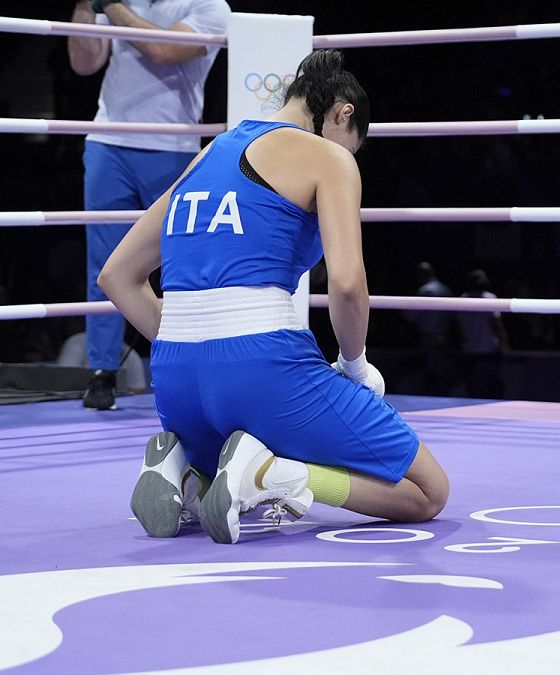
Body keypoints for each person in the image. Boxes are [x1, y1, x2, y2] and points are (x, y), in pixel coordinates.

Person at [98, 50, 449, 544]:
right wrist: (355, 364)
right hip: (263, 369)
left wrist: (196, 342)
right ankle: (276, 474)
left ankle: (187, 471)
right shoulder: (329, 156)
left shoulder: (208, 154)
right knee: (426, 492)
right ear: (344, 114)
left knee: (234, 441)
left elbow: (115, 276)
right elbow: (347, 285)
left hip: (176, 385)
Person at [69, 0, 230, 410]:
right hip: (109, 140)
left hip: (172, 144)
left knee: (180, 263)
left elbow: (163, 50)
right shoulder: (125, 4)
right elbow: (84, 63)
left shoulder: (209, 6)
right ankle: (101, 373)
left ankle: (183, 367)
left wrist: (111, 6)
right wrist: (86, 8)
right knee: (103, 262)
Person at [456, 269, 509, 398]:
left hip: (479, 350)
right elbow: (496, 324)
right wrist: (504, 345)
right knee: (478, 387)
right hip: (483, 351)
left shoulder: (464, 299)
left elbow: (459, 325)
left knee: (479, 387)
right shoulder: (488, 298)